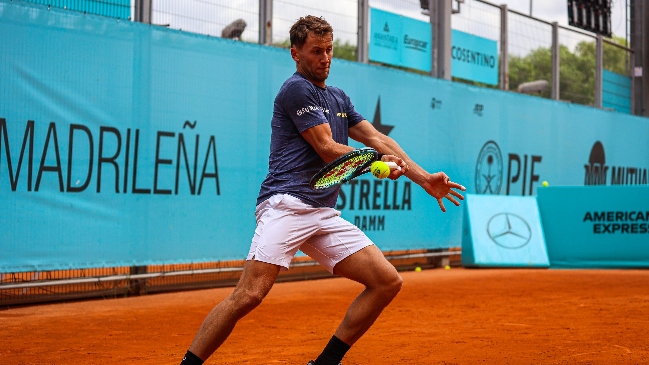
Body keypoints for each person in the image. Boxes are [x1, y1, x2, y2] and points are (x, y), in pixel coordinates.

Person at [180, 15, 466, 365]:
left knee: (386, 282)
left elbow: (378, 138)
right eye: (316, 51)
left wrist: (423, 179)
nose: (325, 58)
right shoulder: (295, 89)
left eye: (329, 50)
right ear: (296, 54)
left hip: (322, 213)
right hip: (285, 204)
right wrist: (376, 163)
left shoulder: (339, 98)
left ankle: (325, 362)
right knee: (249, 295)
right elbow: (328, 148)